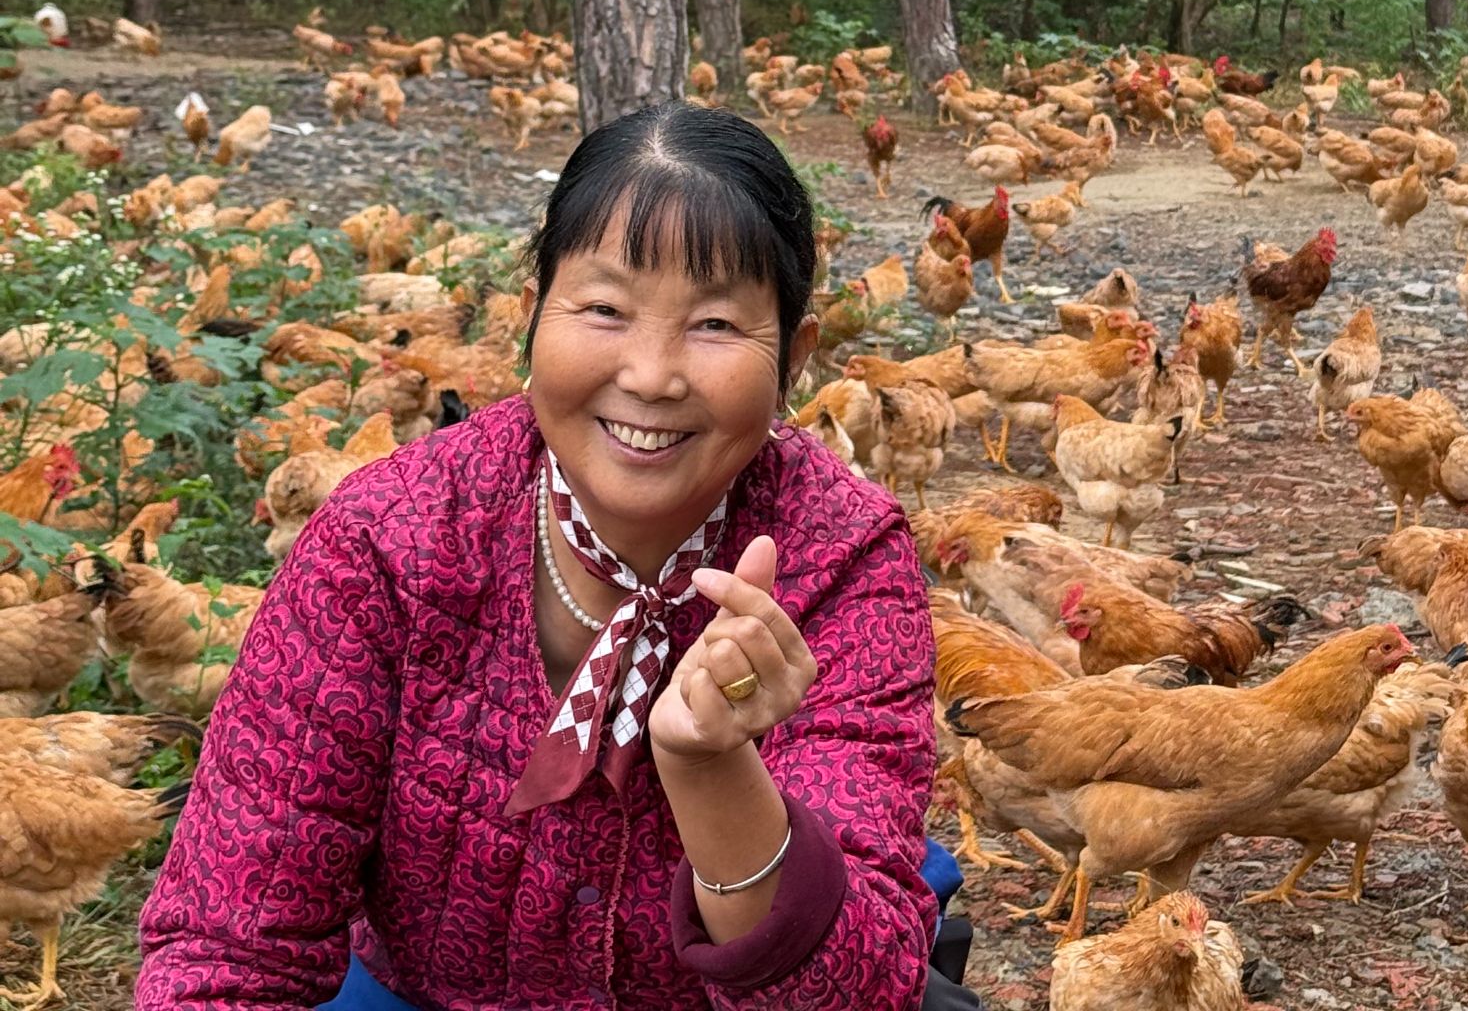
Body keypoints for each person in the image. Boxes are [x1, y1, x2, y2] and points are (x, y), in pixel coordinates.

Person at [136, 102, 941, 1009]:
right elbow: (228, 945)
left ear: (795, 356)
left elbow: (858, 993)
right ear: (531, 317)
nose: (651, 375)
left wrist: (714, 770)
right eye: (604, 309)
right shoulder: (387, 541)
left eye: (716, 323)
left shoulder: (842, 559)